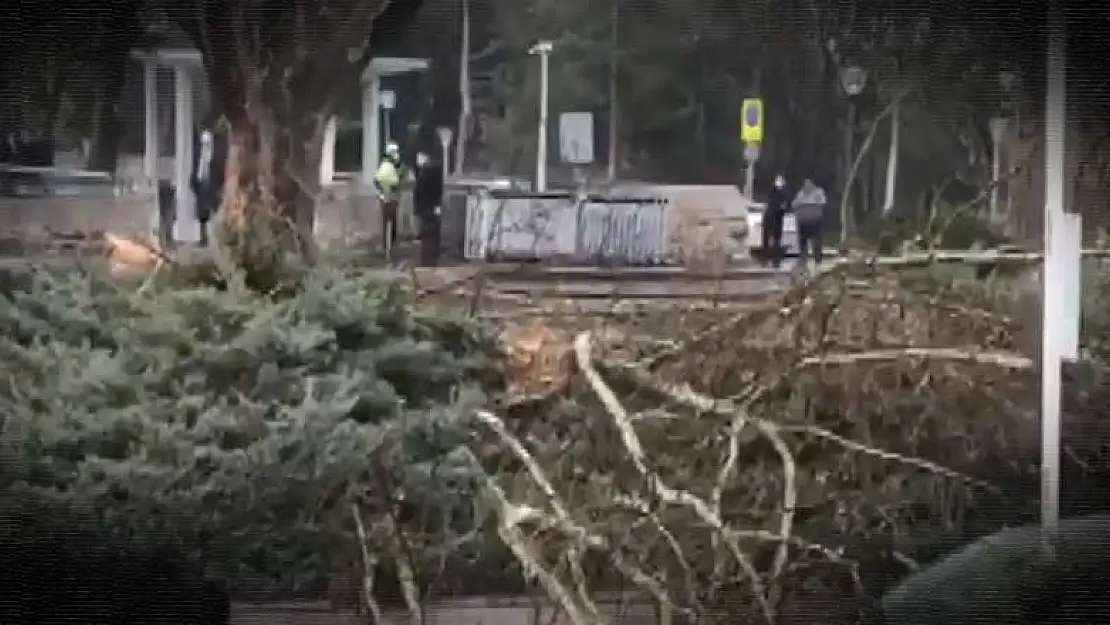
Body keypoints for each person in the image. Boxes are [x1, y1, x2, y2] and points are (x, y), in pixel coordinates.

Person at [190, 123, 226, 247]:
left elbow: (220, 164)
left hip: (213, 180)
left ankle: (218, 238)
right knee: (201, 211)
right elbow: (195, 163)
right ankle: (203, 237)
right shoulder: (197, 148)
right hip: (201, 180)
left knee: (215, 209)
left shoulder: (218, 147)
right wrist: (194, 180)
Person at [412, 151, 445, 267]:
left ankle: (428, 262)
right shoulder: (433, 172)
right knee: (431, 236)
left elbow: (420, 194)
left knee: (427, 237)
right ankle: (431, 261)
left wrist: (418, 209)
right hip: (431, 208)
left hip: (426, 209)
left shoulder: (426, 174)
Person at [374, 141, 404, 258]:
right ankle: (390, 248)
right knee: (391, 223)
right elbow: (393, 183)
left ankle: (387, 247)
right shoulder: (388, 166)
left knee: (387, 223)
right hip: (390, 199)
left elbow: (376, 181)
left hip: (385, 198)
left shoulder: (385, 165)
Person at [792, 178, 827, 270]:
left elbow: (823, 202)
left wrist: (809, 203)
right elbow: (794, 204)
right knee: (803, 242)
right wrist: (800, 204)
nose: (807, 186)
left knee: (817, 241)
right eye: (805, 184)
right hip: (803, 221)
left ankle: (818, 261)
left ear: (812, 184)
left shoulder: (818, 192)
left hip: (815, 220)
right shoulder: (800, 193)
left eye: (809, 184)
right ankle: (803, 261)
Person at [763, 174, 790, 269]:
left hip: (769, 216)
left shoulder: (772, 192)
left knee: (767, 238)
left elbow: (769, 203)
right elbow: (784, 206)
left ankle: (767, 258)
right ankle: (775, 260)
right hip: (776, 217)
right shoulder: (784, 193)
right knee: (776, 239)